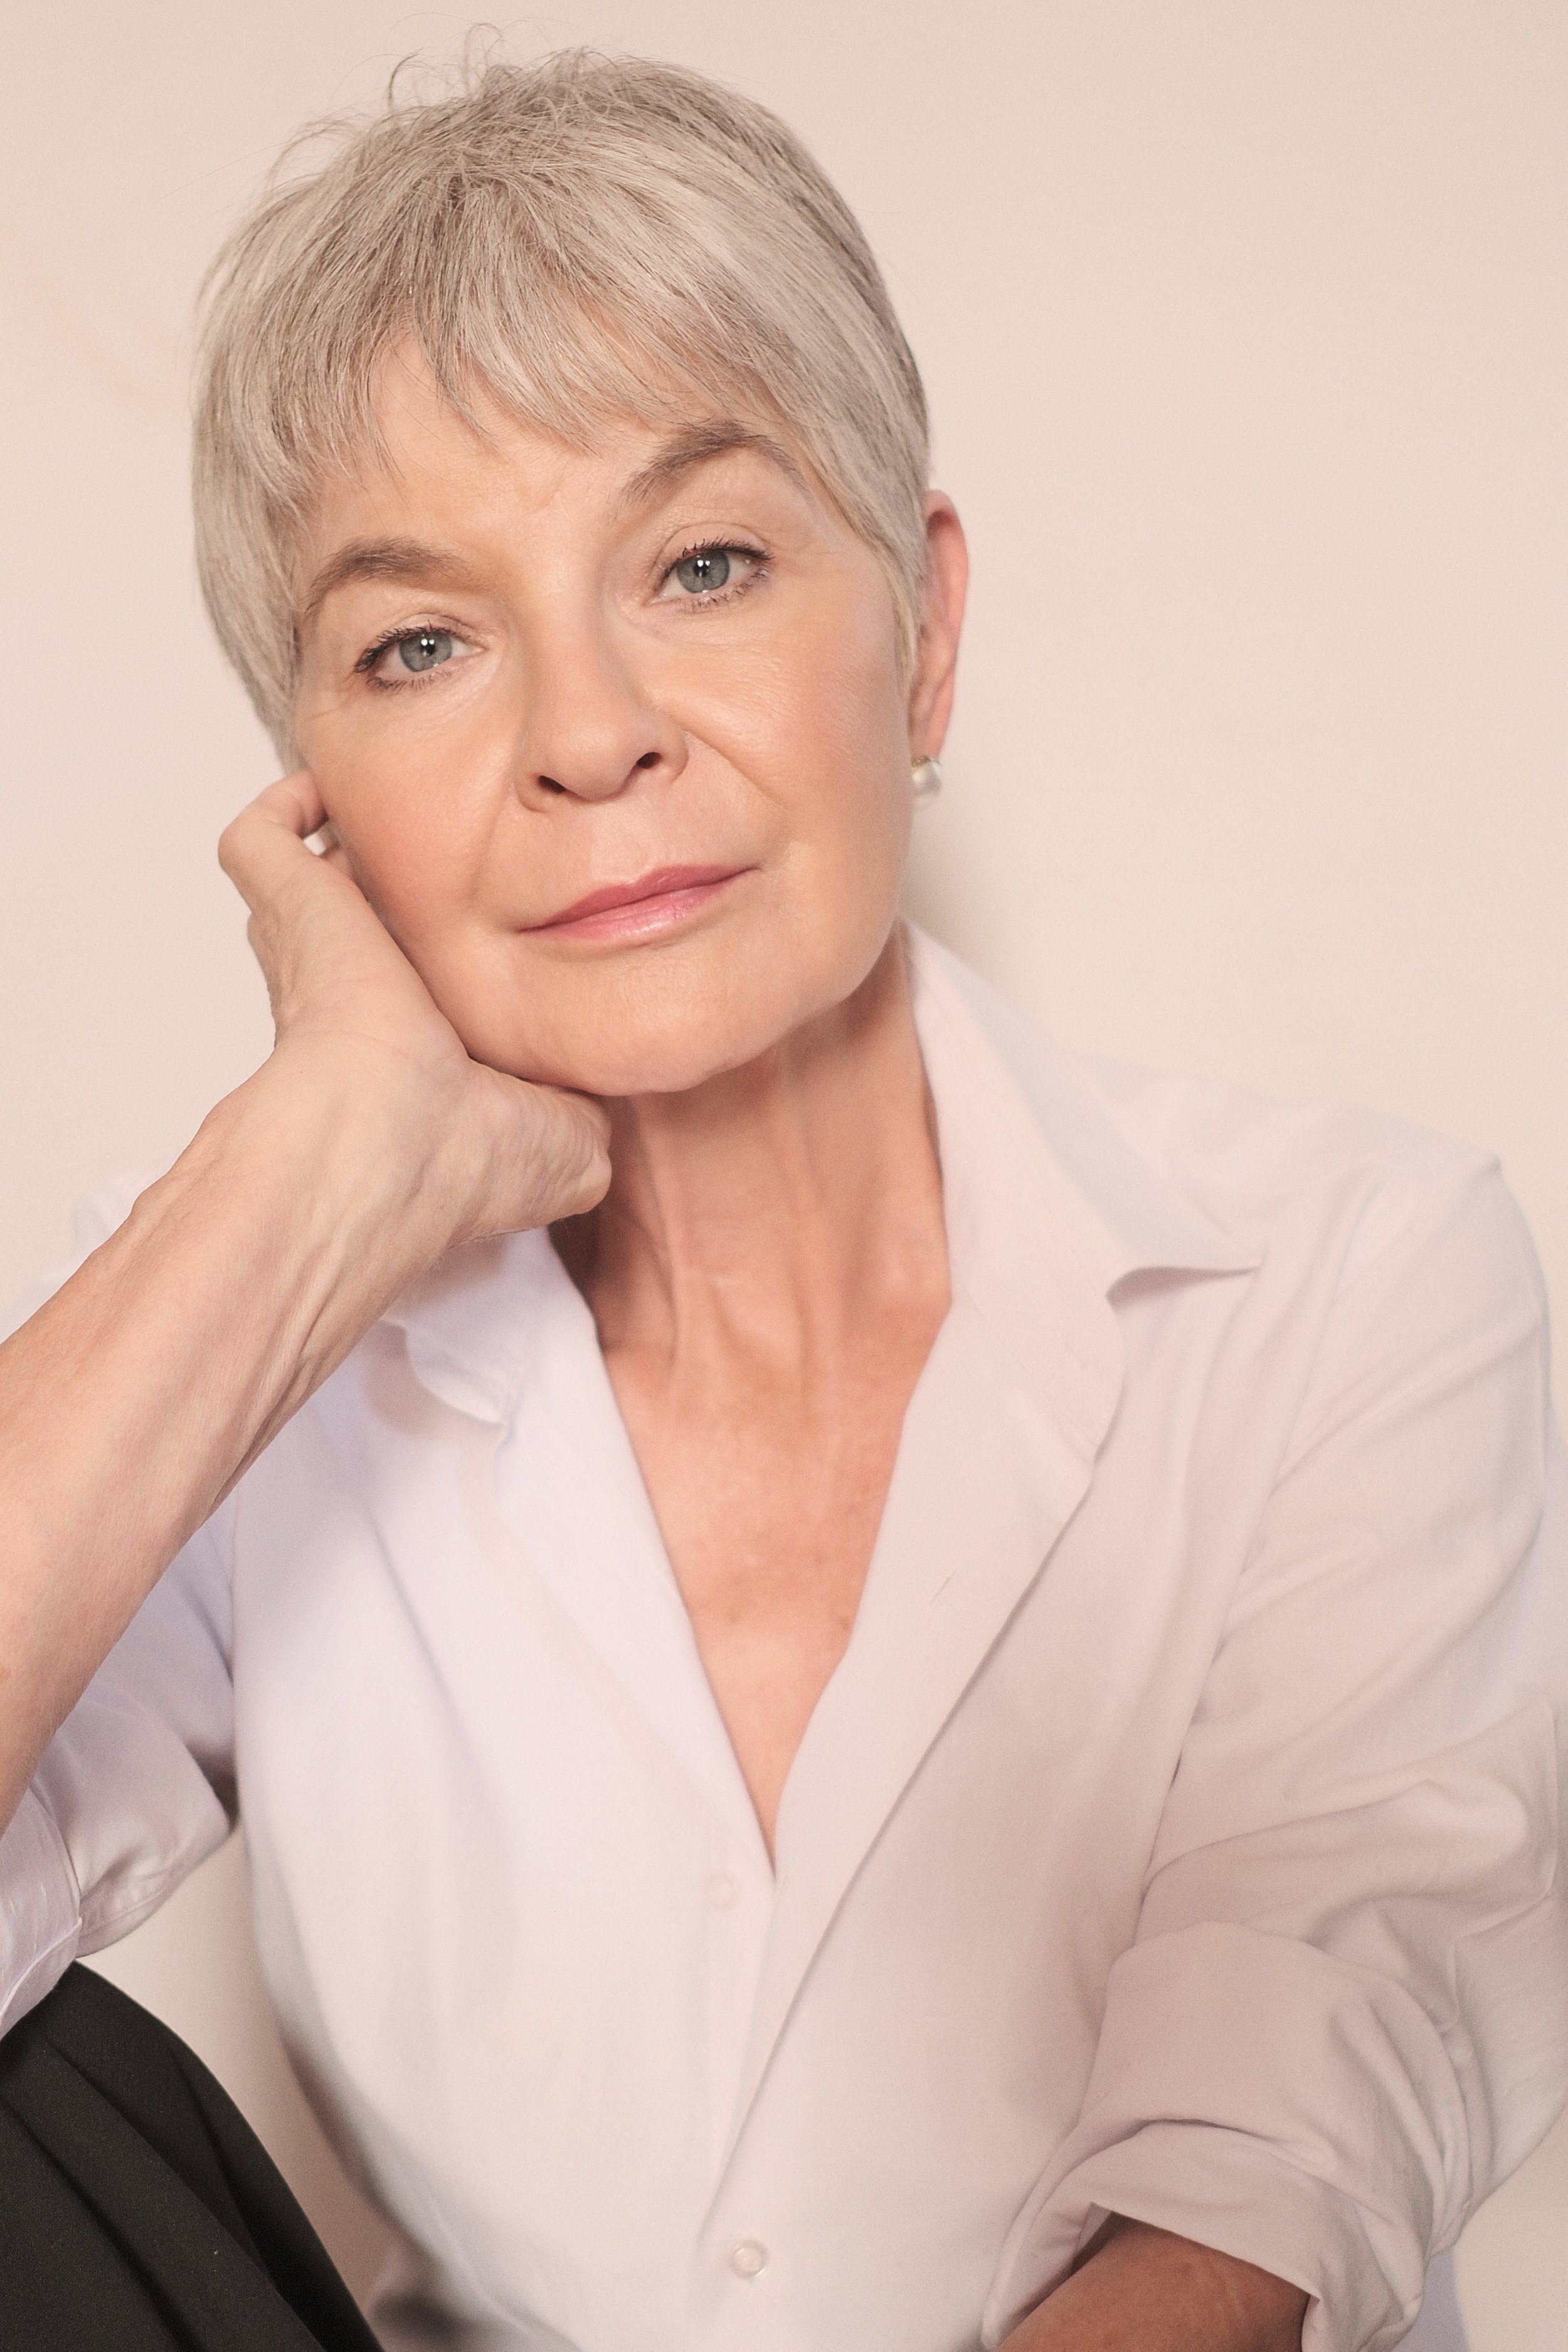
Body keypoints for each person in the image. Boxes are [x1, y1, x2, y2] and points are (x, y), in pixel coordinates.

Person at [0, 46, 1564, 2352]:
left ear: (920, 627)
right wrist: (297, 1165)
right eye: (419, 642)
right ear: (315, 795)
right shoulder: (243, 1323)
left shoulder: (1348, 1270)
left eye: (702, 562)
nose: (586, 732)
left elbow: (1275, 2164)